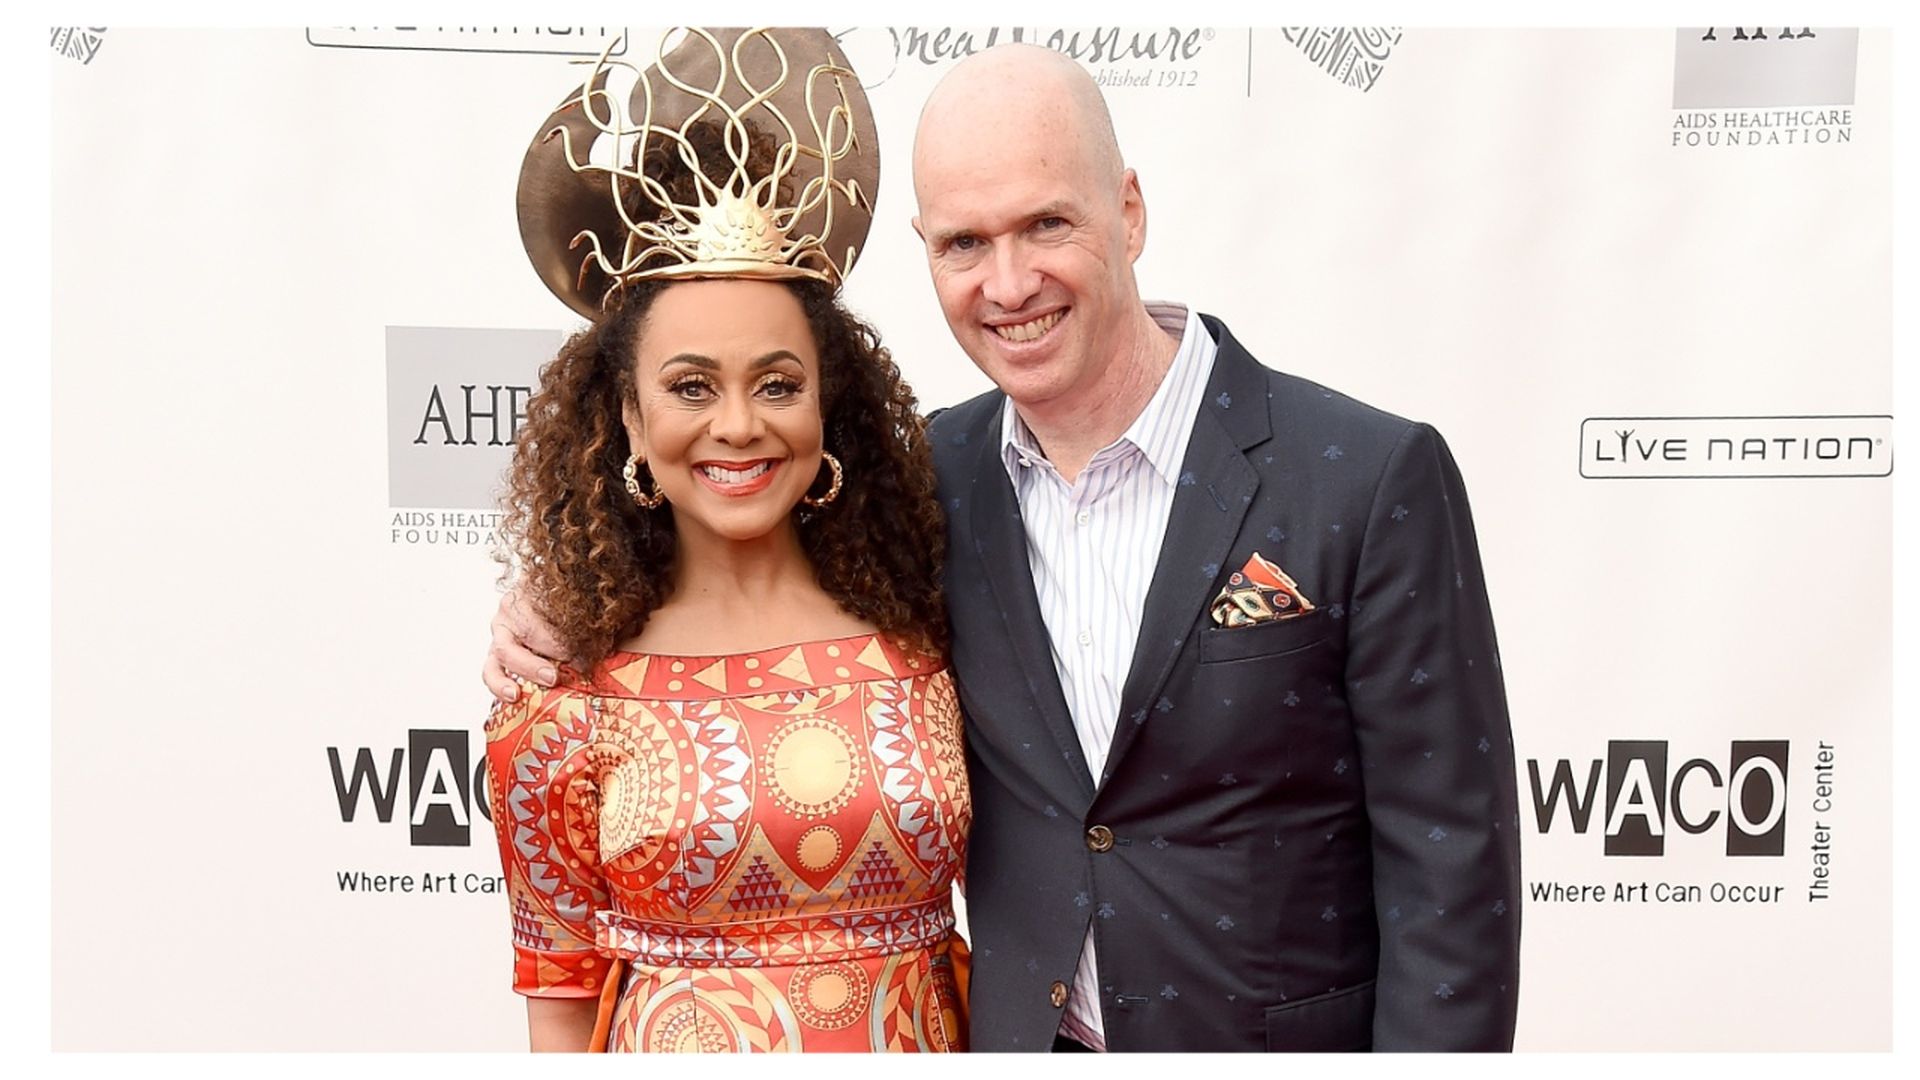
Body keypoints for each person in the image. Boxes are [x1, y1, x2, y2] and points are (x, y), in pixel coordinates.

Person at [489, 42, 1522, 1052]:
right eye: (964, 244)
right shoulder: (930, 484)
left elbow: (1454, 877)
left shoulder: (1361, 476)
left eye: (1047, 223)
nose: (1010, 281)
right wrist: (553, 611)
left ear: (1128, 209)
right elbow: (719, 528)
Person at [482, 28, 968, 1053]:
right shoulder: (563, 695)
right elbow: (561, 1008)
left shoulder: (935, 623)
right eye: (692, 386)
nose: (739, 425)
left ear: (828, 402)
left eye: (778, 384)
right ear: (628, 417)